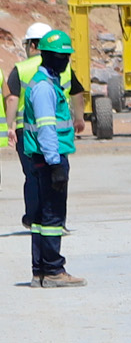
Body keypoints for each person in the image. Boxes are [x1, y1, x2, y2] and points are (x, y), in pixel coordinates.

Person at [15, 27, 81, 286]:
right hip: (49, 158)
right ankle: (53, 270)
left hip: (42, 158)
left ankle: (40, 270)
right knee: (53, 217)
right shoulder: (43, 87)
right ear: (48, 56)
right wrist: (55, 164)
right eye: (61, 56)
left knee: (42, 217)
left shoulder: (48, 82)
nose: (65, 61)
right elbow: (46, 128)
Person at [9, 19, 53, 229]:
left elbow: (12, 99)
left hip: (25, 131)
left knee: (33, 174)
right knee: (55, 172)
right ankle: (54, 217)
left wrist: (9, 126)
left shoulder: (20, 69)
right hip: (55, 130)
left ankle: (34, 217)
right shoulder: (61, 67)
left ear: (33, 46)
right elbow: (77, 93)